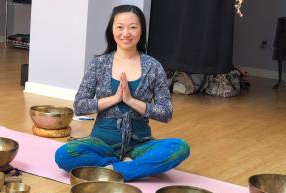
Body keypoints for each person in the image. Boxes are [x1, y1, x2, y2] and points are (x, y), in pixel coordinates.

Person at [55, 5, 190, 181]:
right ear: (112, 30)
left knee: (180, 147)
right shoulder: (99, 64)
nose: (126, 33)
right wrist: (114, 99)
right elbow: (79, 105)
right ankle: (123, 167)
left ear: (141, 31)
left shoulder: (153, 67)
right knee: (64, 155)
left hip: (140, 145)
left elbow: (166, 113)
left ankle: (112, 170)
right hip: (101, 142)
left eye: (133, 27)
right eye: (120, 27)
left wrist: (130, 100)